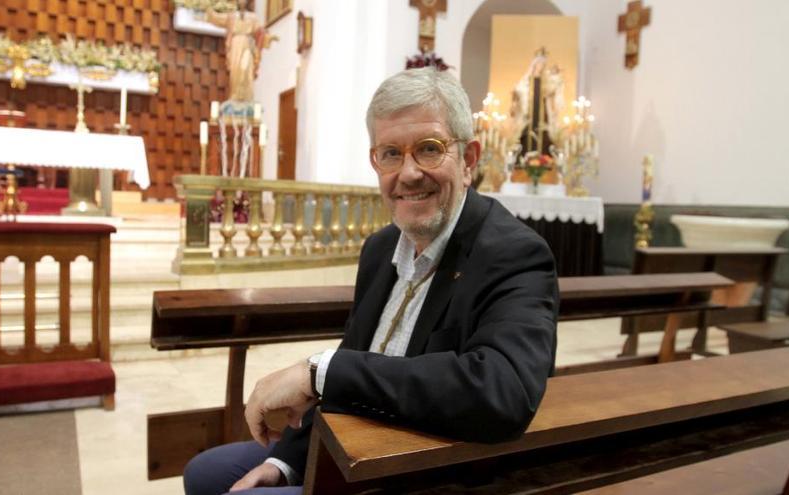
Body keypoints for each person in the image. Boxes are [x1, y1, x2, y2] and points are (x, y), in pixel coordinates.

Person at [183, 67, 559, 495]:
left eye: (429, 149)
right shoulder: (381, 250)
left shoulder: (513, 253)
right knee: (205, 473)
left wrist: (319, 372)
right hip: (350, 446)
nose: (409, 173)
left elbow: (503, 392)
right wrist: (285, 462)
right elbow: (354, 369)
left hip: (425, 468)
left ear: (469, 159)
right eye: (391, 154)